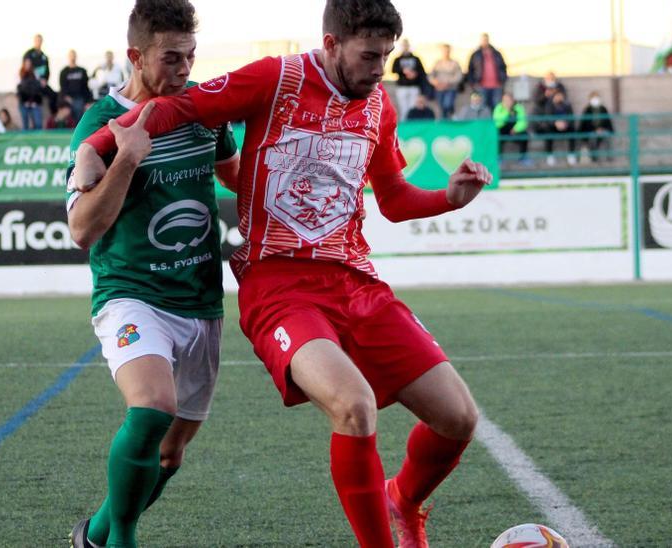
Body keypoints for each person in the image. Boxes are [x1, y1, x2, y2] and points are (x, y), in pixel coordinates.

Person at [73, 1, 493, 546]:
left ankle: (402, 501)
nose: (379, 69)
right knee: (354, 405)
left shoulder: (379, 105)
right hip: (278, 286)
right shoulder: (277, 76)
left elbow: (391, 198)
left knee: (459, 418)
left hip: (355, 282)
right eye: (370, 56)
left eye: (386, 56)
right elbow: (182, 107)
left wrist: (448, 199)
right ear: (332, 43)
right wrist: (96, 144)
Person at [65, 3, 241, 546]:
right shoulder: (100, 124)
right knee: (152, 410)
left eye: (191, 57)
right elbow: (82, 229)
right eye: (171, 58)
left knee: (171, 450)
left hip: (200, 299)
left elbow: (238, 181)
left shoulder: (201, 110)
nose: (184, 69)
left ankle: (95, 534)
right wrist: (125, 159)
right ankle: (121, 540)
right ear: (135, 57)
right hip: (131, 294)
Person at [466, 33, 506, 109]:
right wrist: (473, 83)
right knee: (483, 107)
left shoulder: (496, 54)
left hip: (497, 86)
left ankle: (495, 121)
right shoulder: (475, 54)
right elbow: (470, 70)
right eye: (483, 40)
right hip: (481, 86)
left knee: (496, 106)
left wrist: (502, 80)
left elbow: (503, 67)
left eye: (486, 40)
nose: (485, 41)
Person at [390, 38, 426, 121]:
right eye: (404, 45)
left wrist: (414, 73)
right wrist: (403, 71)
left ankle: (411, 124)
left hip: (414, 86)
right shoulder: (398, 59)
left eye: (407, 45)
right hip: (402, 87)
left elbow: (422, 71)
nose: (405, 47)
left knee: (412, 107)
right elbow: (393, 70)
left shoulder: (416, 59)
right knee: (403, 108)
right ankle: (404, 125)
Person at [24, 34, 57, 112]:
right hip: (31, 84)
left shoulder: (44, 56)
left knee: (54, 95)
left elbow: (47, 71)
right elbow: (25, 70)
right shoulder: (28, 54)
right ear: (34, 41)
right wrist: (36, 81)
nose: (38, 42)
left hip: (42, 83)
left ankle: (54, 116)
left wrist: (45, 80)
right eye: (37, 40)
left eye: (40, 41)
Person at [541, 91, 576, 166]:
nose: (559, 97)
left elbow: (571, 117)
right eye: (557, 96)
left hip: (565, 126)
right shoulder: (549, 105)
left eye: (561, 95)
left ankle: (571, 154)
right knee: (548, 133)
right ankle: (549, 155)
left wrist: (565, 123)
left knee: (573, 131)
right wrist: (555, 123)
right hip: (554, 127)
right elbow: (548, 117)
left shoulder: (567, 105)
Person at [579, 91, 614, 163]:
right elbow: (585, 123)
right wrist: (595, 130)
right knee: (593, 138)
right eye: (593, 98)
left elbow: (607, 121)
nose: (595, 99)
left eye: (597, 97)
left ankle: (609, 157)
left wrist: (603, 129)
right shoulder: (587, 110)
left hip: (603, 130)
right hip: (592, 131)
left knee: (607, 136)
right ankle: (594, 158)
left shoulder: (603, 109)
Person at [429, 44, 462, 119]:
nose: (446, 53)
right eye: (444, 51)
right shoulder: (437, 63)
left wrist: (448, 82)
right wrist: (436, 82)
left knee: (447, 104)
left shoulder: (454, 63)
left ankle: (450, 117)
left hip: (450, 88)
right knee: (441, 107)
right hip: (439, 89)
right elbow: (431, 76)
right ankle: (444, 121)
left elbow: (458, 76)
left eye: (447, 51)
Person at [493, 93, 528, 163]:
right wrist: (507, 111)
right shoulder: (499, 108)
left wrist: (516, 129)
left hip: (515, 130)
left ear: (513, 100)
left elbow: (523, 122)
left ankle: (523, 157)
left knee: (525, 135)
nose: (507, 102)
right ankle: (499, 157)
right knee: (497, 135)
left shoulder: (518, 108)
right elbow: (497, 123)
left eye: (509, 100)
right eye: (505, 100)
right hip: (503, 129)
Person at [60, 49, 93, 119]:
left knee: (81, 106)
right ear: (68, 57)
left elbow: (86, 87)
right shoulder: (64, 72)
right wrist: (67, 97)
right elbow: (63, 87)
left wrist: (88, 101)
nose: (72, 57)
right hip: (68, 98)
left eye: (74, 55)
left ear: (76, 57)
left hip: (80, 97)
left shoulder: (82, 71)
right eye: (71, 56)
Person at [17, 59, 45, 130]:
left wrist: (35, 101)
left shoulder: (35, 74)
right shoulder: (20, 74)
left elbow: (38, 89)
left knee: (38, 124)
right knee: (25, 125)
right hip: (24, 103)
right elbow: (19, 90)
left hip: (34, 103)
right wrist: (24, 101)